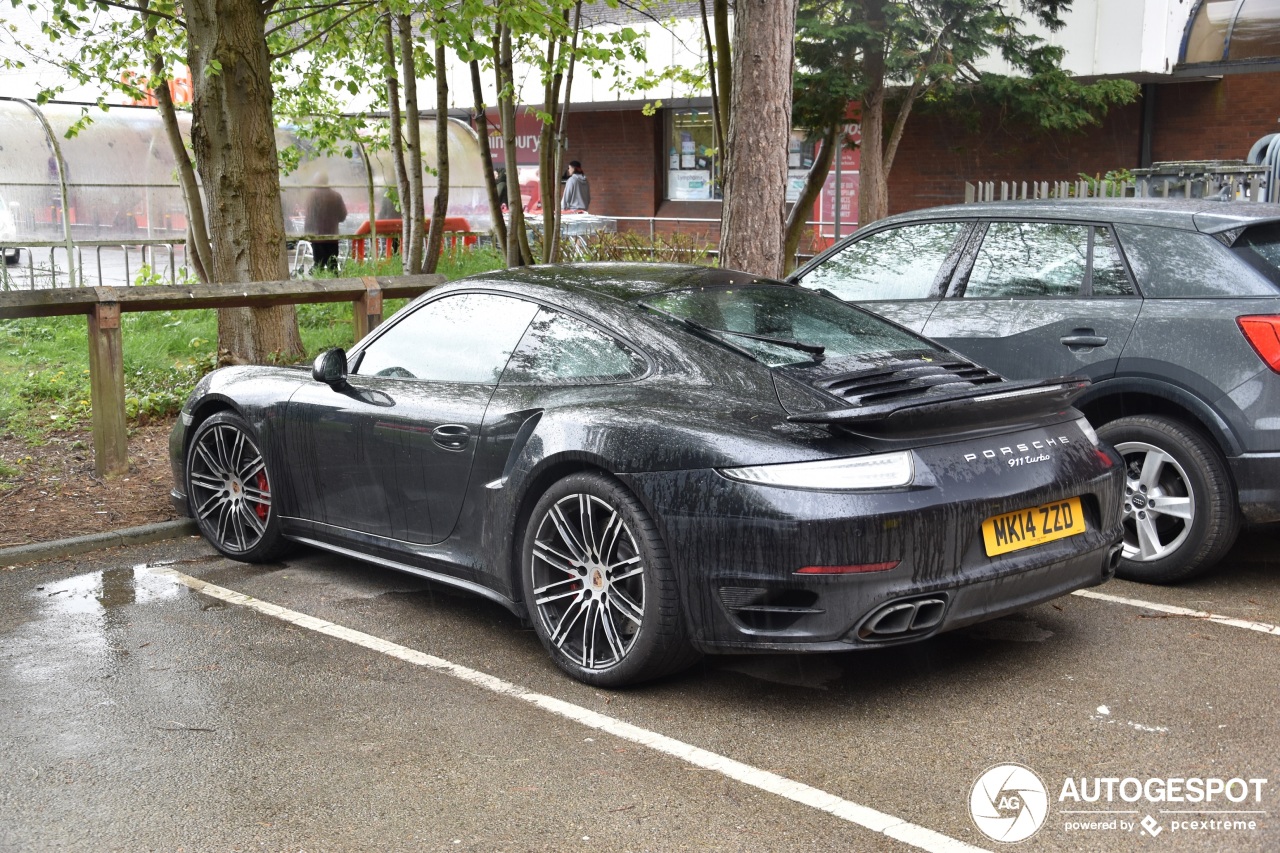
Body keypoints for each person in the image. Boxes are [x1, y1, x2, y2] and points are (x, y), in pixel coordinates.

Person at [304, 172, 347, 270]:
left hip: (317, 237)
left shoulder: (312, 196)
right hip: (332, 237)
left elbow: (309, 216)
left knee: (319, 265)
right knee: (333, 265)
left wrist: (307, 233)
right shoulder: (336, 196)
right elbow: (343, 216)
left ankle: (319, 284)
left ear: (316, 182)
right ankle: (335, 284)